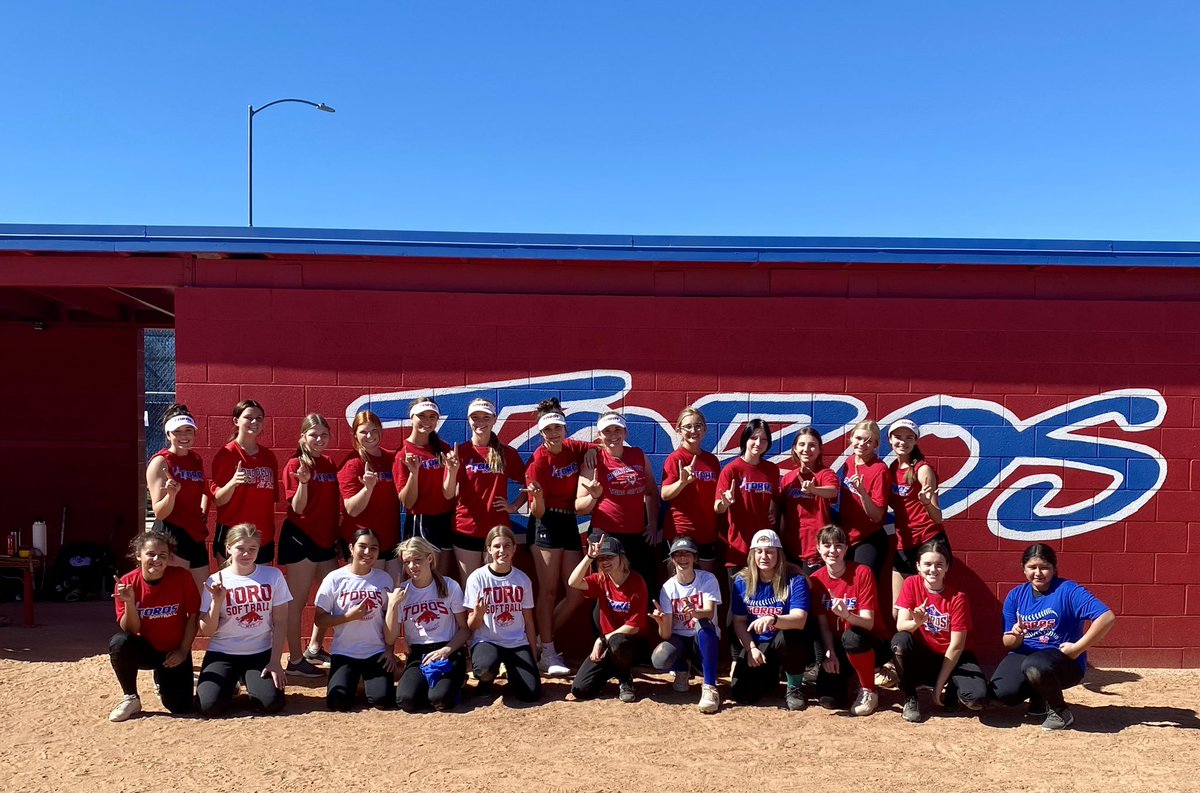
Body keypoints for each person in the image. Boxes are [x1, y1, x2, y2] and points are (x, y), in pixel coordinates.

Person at [989, 543, 1116, 730]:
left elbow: (1106, 617)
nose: (1038, 573)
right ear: (1023, 569)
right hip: (1025, 655)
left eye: (1045, 567)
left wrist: (1077, 648)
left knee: (1035, 666)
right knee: (1002, 694)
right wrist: (1016, 634)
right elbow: (1008, 643)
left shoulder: (1068, 590)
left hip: (1061, 659)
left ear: (1054, 569)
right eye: (1032, 567)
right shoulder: (1015, 595)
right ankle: (1039, 697)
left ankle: (1060, 711)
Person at [524, 398, 593, 678]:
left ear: (565, 430)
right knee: (549, 590)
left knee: (577, 591)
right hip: (544, 521)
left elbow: (595, 447)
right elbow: (536, 509)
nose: (554, 434)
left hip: (568, 522)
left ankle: (539, 641)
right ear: (541, 433)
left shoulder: (572, 448)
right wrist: (538, 497)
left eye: (558, 428)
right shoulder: (538, 461)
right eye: (548, 430)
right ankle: (548, 650)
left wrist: (591, 454)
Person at [196, 523, 290, 717]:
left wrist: (274, 661)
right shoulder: (215, 581)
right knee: (208, 707)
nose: (246, 554)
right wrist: (217, 601)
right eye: (240, 548)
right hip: (222, 653)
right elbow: (206, 630)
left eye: (252, 549)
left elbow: (280, 622)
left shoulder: (273, 576)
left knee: (271, 704)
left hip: (259, 653)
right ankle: (231, 685)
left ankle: (248, 681)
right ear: (228, 548)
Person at [890, 538, 987, 723]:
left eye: (939, 564)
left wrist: (938, 687)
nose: (933, 570)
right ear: (918, 566)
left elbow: (957, 646)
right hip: (925, 655)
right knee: (900, 641)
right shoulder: (911, 583)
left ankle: (952, 690)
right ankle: (910, 698)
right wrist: (916, 623)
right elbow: (901, 625)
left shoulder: (958, 598)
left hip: (954, 658)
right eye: (927, 564)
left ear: (947, 567)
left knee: (977, 699)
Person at [108, 529, 199, 722]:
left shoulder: (182, 577)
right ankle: (131, 697)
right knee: (120, 642)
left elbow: (193, 616)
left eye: (163, 555)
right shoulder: (126, 583)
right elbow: (130, 630)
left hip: (173, 652)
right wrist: (130, 602)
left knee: (180, 707)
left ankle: (164, 680)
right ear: (139, 555)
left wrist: (183, 650)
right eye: (150, 554)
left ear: (169, 558)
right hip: (146, 649)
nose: (156, 559)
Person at [279, 414, 339, 678]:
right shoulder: (295, 464)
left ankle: (315, 647)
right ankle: (294, 659)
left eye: (323, 435)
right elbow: (298, 507)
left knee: (331, 596)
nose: (318, 440)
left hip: (325, 540)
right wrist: (303, 481)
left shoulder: (328, 463)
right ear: (302, 437)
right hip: (300, 539)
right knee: (298, 602)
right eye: (313, 434)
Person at [442, 397, 526, 584]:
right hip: (466, 529)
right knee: (470, 587)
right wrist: (453, 471)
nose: (480, 422)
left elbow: (529, 483)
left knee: (495, 587)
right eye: (475, 417)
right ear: (469, 420)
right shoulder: (459, 453)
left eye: (486, 417)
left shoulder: (507, 453)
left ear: (494, 419)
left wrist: (514, 506)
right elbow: (448, 494)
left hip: (497, 531)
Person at [809, 525, 890, 716]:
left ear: (846, 548)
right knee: (829, 700)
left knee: (852, 637)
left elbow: (868, 623)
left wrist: (847, 615)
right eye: (827, 545)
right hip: (839, 645)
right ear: (818, 548)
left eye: (838, 545)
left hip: (870, 640)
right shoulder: (816, 580)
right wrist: (830, 654)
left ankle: (869, 690)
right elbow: (823, 625)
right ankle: (854, 675)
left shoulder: (862, 573)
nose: (832, 551)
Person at [314, 528, 399, 711]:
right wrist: (347, 617)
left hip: (375, 652)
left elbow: (389, 618)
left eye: (374, 548)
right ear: (351, 548)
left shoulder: (384, 579)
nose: (368, 553)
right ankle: (354, 679)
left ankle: (364, 680)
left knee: (383, 701)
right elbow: (319, 620)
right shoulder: (335, 579)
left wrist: (390, 650)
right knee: (337, 703)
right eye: (363, 546)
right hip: (345, 653)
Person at [576, 411, 661, 591]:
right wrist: (593, 496)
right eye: (607, 431)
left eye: (617, 430)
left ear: (625, 432)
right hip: (605, 535)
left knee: (645, 585)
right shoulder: (594, 460)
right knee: (606, 590)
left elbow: (652, 492)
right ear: (599, 435)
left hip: (637, 534)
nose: (613, 435)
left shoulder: (638, 455)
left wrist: (652, 523)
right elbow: (579, 507)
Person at [386, 537, 471, 712]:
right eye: (407, 561)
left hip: (448, 650)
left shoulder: (449, 586)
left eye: (417, 560)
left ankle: (457, 680)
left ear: (429, 558)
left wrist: (446, 650)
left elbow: (464, 629)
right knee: (406, 701)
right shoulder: (402, 591)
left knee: (439, 700)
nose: (412, 566)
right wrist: (393, 605)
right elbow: (390, 638)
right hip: (418, 653)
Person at [729, 529, 810, 710]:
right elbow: (739, 622)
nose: (764, 556)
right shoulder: (742, 581)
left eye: (770, 551)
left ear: (779, 555)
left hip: (783, 640)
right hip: (758, 644)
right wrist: (750, 649)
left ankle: (794, 687)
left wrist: (773, 619)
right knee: (741, 694)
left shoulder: (795, 580)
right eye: (759, 551)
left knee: (793, 636)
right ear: (752, 555)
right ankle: (771, 676)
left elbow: (800, 620)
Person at [568, 534, 652, 703]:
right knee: (580, 690)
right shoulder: (601, 579)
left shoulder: (636, 581)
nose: (605, 562)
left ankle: (625, 680)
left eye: (610, 557)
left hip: (631, 645)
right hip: (608, 645)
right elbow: (573, 582)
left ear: (621, 557)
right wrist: (589, 557)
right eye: (601, 559)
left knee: (618, 641)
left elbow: (633, 626)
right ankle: (611, 670)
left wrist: (601, 639)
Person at [463, 525, 541, 702]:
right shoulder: (477, 578)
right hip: (487, 640)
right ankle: (486, 681)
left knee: (531, 695)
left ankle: (513, 673)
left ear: (514, 548)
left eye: (507, 546)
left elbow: (528, 621)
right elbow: (471, 626)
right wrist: (478, 613)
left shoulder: (522, 579)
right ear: (489, 549)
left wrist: (533, 655)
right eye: (497, 546)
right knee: (484, 669)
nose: (502, 551)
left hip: (516, 642)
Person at [648, 536, 722, 713]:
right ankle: (681, 669)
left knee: (703, 626)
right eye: (678, 555)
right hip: (680, 640)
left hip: (702, 639)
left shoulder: (707, 579)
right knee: (659, 659)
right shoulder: (668, 588)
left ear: (695, 558)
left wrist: (694, 612)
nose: (683, 559)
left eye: (687, 554)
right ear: (672, 559)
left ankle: (710, 687)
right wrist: (662, 622)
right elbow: (666, 635)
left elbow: (709, 613)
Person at [146, 404, 209, 590]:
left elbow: (204, 489)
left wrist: (203, 510)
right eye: (177, 431)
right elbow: (160, 512)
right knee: (176, 595)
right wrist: (171, 496)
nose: (184, 436)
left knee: (203, 596)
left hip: (195, 534)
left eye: (188, 430)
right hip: (172, 533)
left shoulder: (195, 459)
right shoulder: (160, 462)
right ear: (168, 435)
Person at [210, 399, 279, 565]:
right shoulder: (227, 454)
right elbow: (218, 499)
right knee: (232, 588)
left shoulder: (268, 457)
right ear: (236, 421)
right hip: (234, 535)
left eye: (259, 418)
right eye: (248, 417)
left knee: (262, 589)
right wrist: (233, 483)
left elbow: (271, 500)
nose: (254, 422)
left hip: (263, 535)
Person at [886, 419, 945, 611]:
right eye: (898, 437)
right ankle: (904, 641)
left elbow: (937, 517)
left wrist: (927, 503)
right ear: (890, 439)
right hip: (904, 542)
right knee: (898, 610)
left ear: (915, 441)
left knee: (925, 607)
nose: (903, 442)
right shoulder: (892, 469)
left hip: (927, 541)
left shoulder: (923, 469)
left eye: (909, 438)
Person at [394, 396, 455, 577]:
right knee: (425, 577)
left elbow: (448, 493)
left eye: (432, 416)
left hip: (447, 518)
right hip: (422, 521)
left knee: (442, 578)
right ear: (412, 418)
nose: (427, 421)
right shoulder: (403, 453)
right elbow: (408, 502)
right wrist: (414, 473)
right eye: (422, 416)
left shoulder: (442, 448)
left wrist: (452, 470)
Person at [338, 409, 401, 579]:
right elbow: (351, 509)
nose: (370, 435)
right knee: (371, 595)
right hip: (366, 544)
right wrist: (368, 488)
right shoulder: (352, 464)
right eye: (363, 431)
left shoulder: (391, 458)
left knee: (394, 591)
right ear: (355, 435)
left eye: (374, 430)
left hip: (391, 540)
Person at [660, 407, 721, 573]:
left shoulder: (712, 460)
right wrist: (681, 482)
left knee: (706, 583)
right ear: (679, 430)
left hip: (707, 532)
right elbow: (664, 494)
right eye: (688, 426)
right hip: (682, 532)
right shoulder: (675, 459)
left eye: (698, 426)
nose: (693, 430)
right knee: (680, 585)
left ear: (705, 429)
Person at [715, 420, 780, 572]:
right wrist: (725, 503)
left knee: (765, 596)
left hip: (765, 550)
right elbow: (718, 507)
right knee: (740, 595)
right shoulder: (731, 469)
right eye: (754, 438)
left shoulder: (771, 470)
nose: (758, 443)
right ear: (745, 439)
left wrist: (774, 510)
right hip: (739, 546)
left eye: (764, 439)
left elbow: (775, 498)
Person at [777, 426, 838, 572]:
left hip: (816, 550)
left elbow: (833, 491)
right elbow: (782, 512)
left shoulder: (825, 474)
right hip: (791, 549)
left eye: (812, 445)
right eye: (802, 444)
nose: (806, 449)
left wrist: (814, 490)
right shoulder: (788, 479)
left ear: (820, 449)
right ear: (795, 449)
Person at [838, 420, 891, 582]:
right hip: (846, 537)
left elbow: (876, 516)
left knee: (862, 585)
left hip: (868, 538)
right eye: (859, 438)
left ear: (876, 444)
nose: (862, 444)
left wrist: (862, 494)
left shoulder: (880, 470)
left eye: (868, 441)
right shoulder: (848, 462)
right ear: (851, 438)